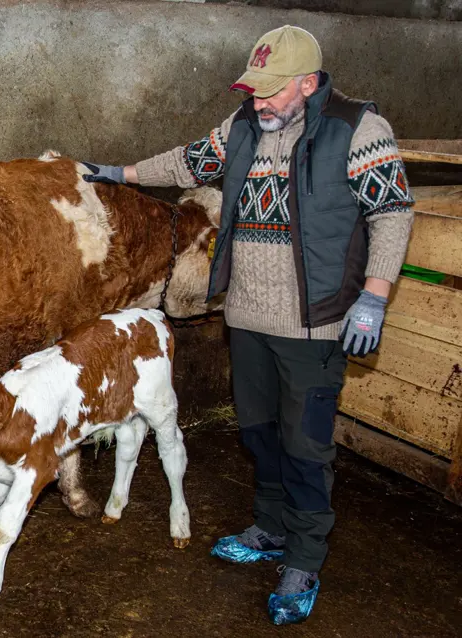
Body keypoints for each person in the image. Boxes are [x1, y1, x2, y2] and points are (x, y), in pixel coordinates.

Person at [82, 25, 414, 625]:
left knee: (305, 443)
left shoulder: (357, 129)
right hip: (247, 317)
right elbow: (187, 160)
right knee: (259, 432)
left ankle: (306, 554)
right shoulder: (242, 128)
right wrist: (117, 172)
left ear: (307, 84)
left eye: (270, 92)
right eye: (253, 90)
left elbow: (391, 211)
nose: (258, 102)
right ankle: (270, 527)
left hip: (315, 323)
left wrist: (374, 296)